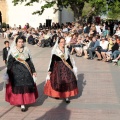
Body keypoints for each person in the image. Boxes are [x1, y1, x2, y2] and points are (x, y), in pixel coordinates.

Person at [6, 36, 38, 112]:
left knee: (26, 85)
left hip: (26, 70)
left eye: (22, 42)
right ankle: (21, 103)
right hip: (16, 71)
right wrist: (7, 73)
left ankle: (25, 100)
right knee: (19, 87)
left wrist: (33, 71)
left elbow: (29, 61)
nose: (21, 43)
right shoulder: (13, 51)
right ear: (16, 42)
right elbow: (9, 63)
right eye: (19, 42)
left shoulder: (26, 50)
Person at [44, 37, 78, 103]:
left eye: (64, 42)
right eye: (61, 42)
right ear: (58, 43)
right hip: (57, 68)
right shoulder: (55, 51)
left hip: (66, 68)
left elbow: (68, 60)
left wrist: (72, 67)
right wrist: (50, 70)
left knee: (67, 81)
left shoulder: (66, 50)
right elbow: (52, 61)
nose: (63, 43)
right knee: (58, 81)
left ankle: (67, 97)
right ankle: (57, 94)